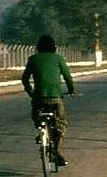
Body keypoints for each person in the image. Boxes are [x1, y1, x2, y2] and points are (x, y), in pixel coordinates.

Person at [21, 34, 75, 166]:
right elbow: (68, 77)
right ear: (54, 48)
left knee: (36, 115)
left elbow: (25, 79)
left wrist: (31, 92)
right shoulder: (58, 59)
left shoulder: (33, 59)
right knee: (61, 123)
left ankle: (40, 130)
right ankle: (58, 152)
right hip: (56, 98)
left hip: (38, 98)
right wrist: (71, 89)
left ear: (38, 48)